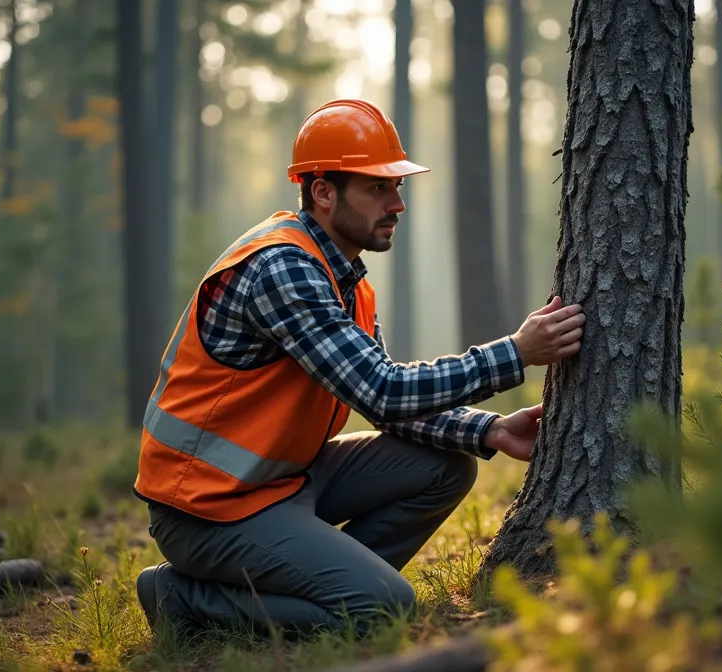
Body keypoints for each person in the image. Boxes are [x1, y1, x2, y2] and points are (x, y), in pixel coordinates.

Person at [133, 98, 585, 637]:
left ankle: (332, 584)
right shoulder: (284, 267)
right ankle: (182, 597)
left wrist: (488, 429)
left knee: (447, 465)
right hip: (209, 509)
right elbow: (384, 393)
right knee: (383, 608)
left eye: (396, 187)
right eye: (378, 188)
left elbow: (387, 403)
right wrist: (514, 353)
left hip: (281, 481)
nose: (397, 204)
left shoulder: (343, 276)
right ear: (323, 192)